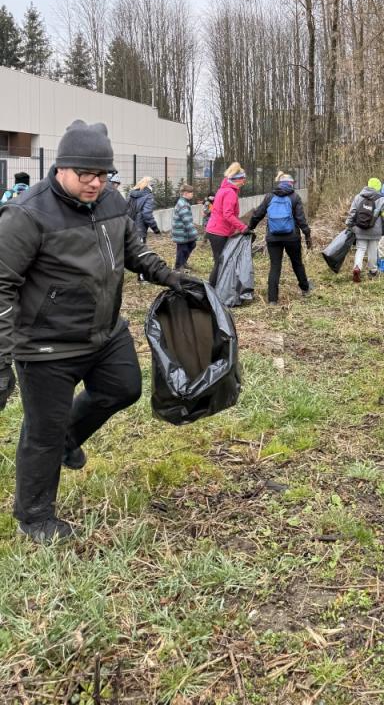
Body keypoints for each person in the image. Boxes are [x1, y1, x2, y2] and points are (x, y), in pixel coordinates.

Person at [0, 120, 192, 543]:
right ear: (61, 168)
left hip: (103, 333)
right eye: (85, 174)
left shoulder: (111, 200)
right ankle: (35, 516)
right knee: (43, 432)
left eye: (103, 174)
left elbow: (132, 249)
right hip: (46, 346)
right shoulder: (27, 214)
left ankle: (69, 437)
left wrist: (169, 276)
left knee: (124, 388)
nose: (95, 183)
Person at [247, 172, 312, 304]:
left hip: (273, 237)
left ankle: (272, 299)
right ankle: (305, 289)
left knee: (275, 266)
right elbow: (301, 219)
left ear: (279, 183)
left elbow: (257, 214)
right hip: (292, 237)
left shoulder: (269, 196)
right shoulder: (295, 197)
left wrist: (250, 227)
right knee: (297, 263)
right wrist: (307, 234)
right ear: (291, 184)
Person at [206, 163, 249, 284]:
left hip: (215, 230)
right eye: (243, 179)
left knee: (220, 261)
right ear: (237, 179)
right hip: (219, 232)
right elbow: (228, 214)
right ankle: (212, 289)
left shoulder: (223, 190)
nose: (244, 182)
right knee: (220, 262)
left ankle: (218, 287)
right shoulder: (230, 193)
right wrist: (242, 227)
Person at [345, 178, 384, 282]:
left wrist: (349, 224)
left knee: (360, 249)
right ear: (378, 187)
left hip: (360, 229)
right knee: (372, 250)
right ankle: (373, 271)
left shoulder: (358, 197)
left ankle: (357, 267)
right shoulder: (382, 200)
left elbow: (352, 212)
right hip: (375, 231)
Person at [171, 184, 198, 271]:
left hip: (184, 231)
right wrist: (194, 233)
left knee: (191, 244)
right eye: (191, 193)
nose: (192, 194)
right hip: (181, 232)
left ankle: (183, 262)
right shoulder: (183, 204)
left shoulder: (184, 202)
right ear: (185, 193)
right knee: (182, 249)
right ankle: (178, 266)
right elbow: (186, 220)